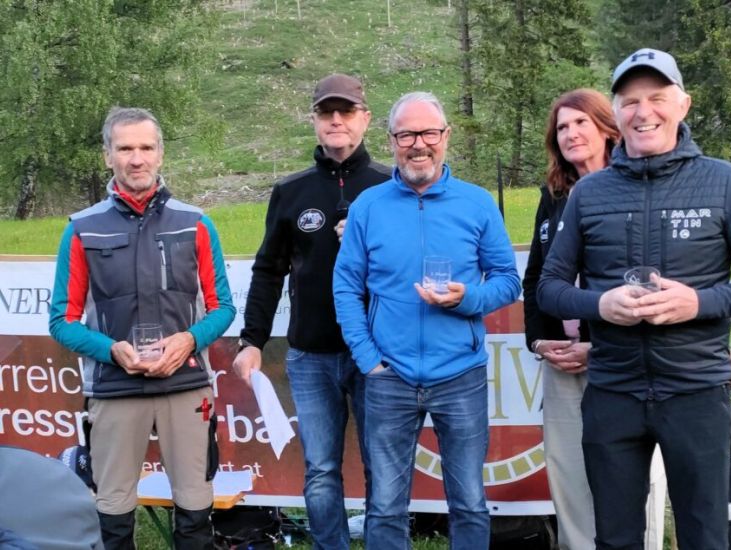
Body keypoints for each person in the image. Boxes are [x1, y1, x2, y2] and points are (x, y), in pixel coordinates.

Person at [537, 49, 731, 549]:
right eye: (630, 101)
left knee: (704, 536)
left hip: (695, 392)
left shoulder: (720, 180)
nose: (643, 112)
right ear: (616, 112)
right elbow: (550, 288)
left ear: (683, 105)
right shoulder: (590, 193)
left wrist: (699, 303)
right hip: (613, 392)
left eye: (657, 97)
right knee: (615, 538)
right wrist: (600, 305)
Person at [333, 91, 521, 550]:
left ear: (446, 137)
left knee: (469, 502)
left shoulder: (476, 203)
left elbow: (507, 280)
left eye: (429, 133)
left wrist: (466, 298)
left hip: (460, 374)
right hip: (389, 376)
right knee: (385, 506)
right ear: (391, 141)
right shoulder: (368, 206)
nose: (419, 144)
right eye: (407, 135)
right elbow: (346, 286)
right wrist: (368, 358)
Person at [49, 107, 236, 549]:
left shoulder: (196, 223)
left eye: (146, 147)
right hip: (114, 387)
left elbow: (223, 308)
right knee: (113, 514)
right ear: (107, 156)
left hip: (185, 384)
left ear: (160, 153)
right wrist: (111, 350)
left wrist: (189, 339)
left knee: (195, 512)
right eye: (125, 148)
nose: (137, 159)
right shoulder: (81, 229)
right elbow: (62, 321)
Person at [232, 73, 390, 549]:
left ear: (365, 118)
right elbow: (268, 270)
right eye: (326, 112)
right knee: (321, 470)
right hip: (311, 355)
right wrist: (252, 341)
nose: (336, 120)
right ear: (314, 120)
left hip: (379, 354)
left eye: (346, 111)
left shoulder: (390, 185)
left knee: (382, 466)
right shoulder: (291, 191)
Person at [523, 89, 667, 549]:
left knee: (631, 478)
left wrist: (598, 345)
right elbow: (537, 278)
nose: (570, 134)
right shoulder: (554, 197)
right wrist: (538, 341)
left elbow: (650, 284)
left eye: (580, 123)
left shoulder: (636, 190)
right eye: (562, 127)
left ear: (607, 128)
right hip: (563, 361)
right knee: (568, 474)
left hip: (625, 360)